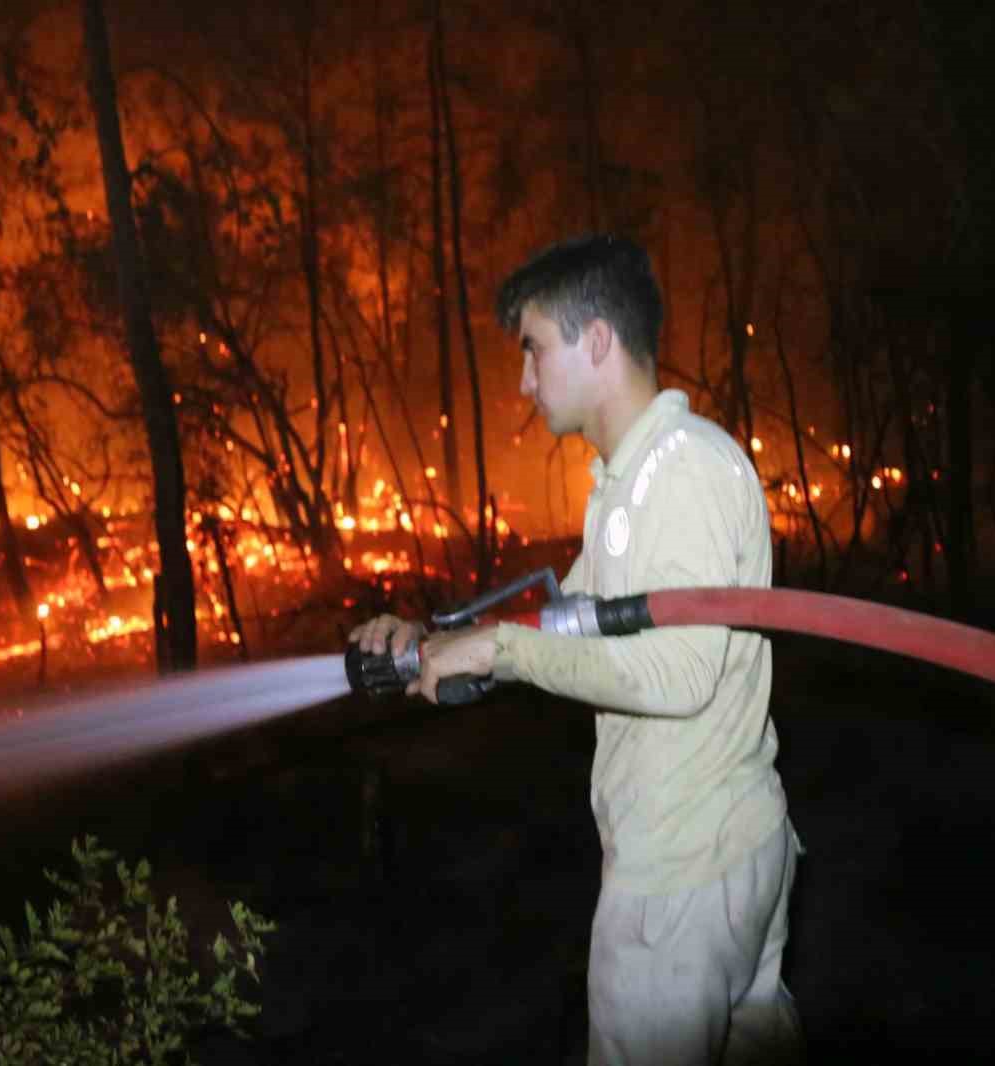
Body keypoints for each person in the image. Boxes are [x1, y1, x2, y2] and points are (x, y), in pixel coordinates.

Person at [350, 234, 802, 1065]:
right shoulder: (632, 482)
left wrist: (501, 655)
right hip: (718, 859)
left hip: (679, 882)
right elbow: (568, 622)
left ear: (596, 342)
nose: (523, 378)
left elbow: (681, 674)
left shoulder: (683, 472)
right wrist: (437, 642)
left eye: (534, 349)